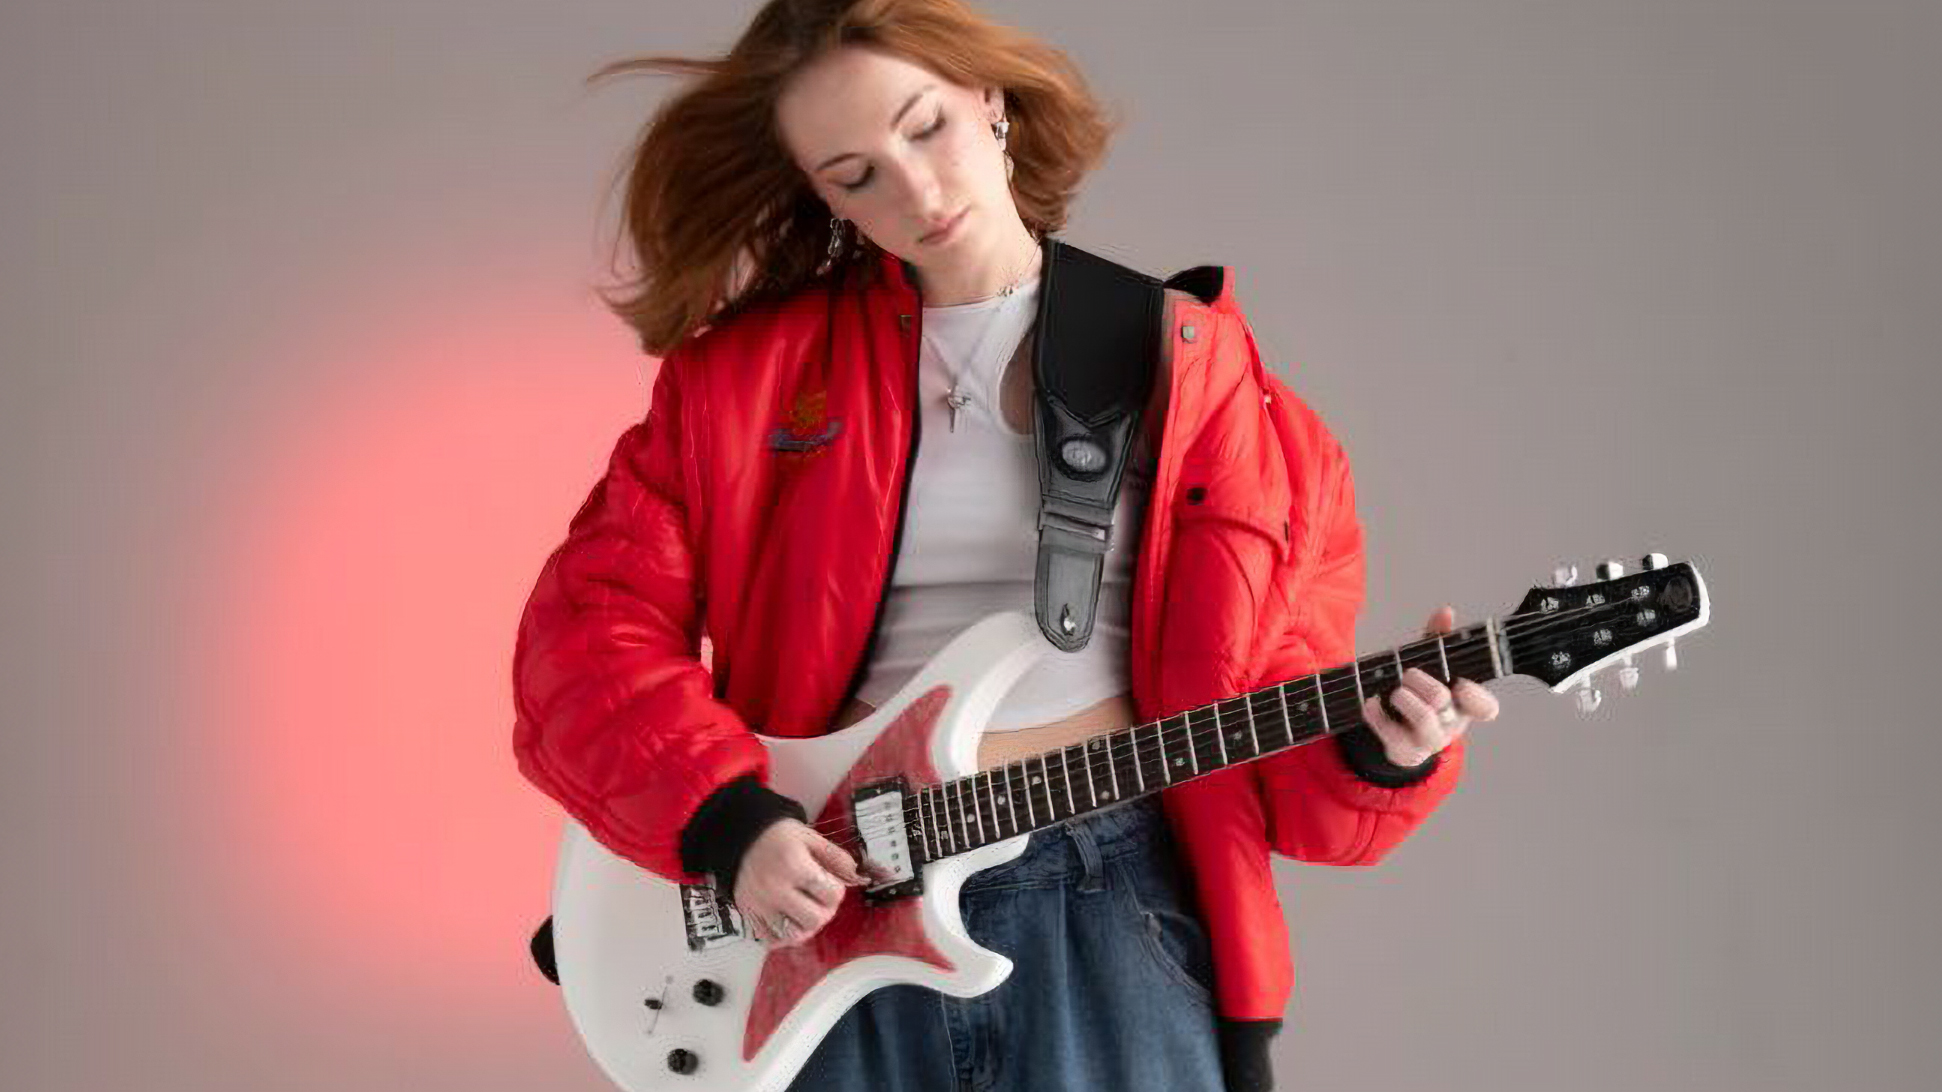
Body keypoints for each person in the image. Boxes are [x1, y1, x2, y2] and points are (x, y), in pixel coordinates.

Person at [511, 2, 1500, 1090]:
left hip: (1106, 900)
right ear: (818, 195)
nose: (915, 191)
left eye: (924, 125)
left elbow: (1275, 730)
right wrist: (727, 818)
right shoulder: (738, 385)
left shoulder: (1205, 383)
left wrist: (1383, 750)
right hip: (824, 908)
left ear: (988, 99)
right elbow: (585, 633)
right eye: (855, 175)